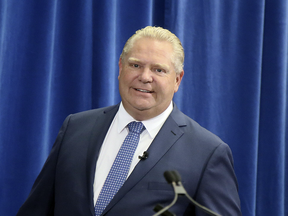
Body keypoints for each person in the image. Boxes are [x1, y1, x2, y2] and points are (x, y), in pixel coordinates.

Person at [17, 26, 242, 216]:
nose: (145, 76)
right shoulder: (75, 128)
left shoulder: (207, 153)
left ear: (177, 80)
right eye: (135, 65)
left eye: (158, 69)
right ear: (120, 68)